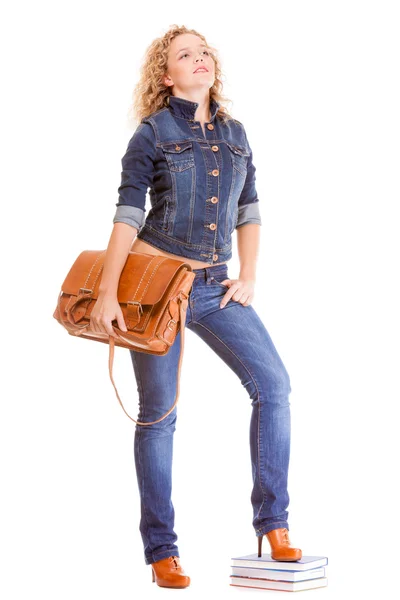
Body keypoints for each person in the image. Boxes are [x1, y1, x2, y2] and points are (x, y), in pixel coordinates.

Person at [89, 25, 302, 589]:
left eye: (204, 51)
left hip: (213, 285)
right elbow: (128, 215)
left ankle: (273, 524)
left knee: (273, 385)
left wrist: (249, 276)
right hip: (157, 284)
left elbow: (249, 210)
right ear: (166, 75)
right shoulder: (152, 132)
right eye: (185, 55)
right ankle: (162, 550)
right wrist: (109, 291)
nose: (200, 59)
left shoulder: (236, 133)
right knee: (159, 415)